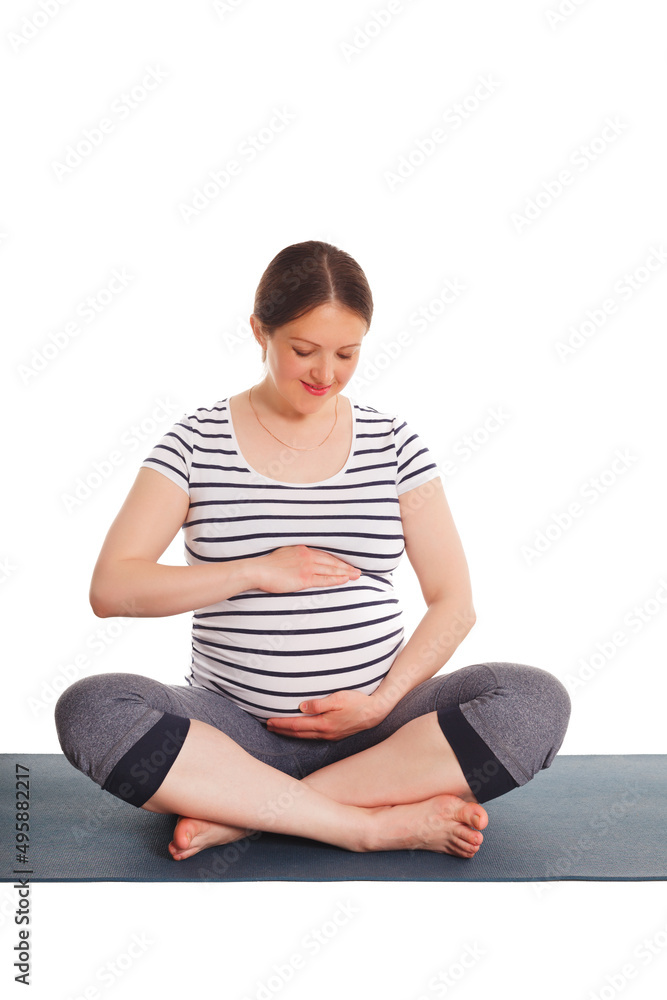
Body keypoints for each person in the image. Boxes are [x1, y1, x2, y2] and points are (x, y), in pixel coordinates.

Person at [54, 240, 571, 862]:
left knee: (534, 701)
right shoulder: (194, 442)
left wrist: (379, 702)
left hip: (382, 735)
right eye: (304, 350)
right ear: (258, 332)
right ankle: (363, 825)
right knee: (91, 709)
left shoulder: (394, 442)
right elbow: (112, 589)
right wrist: (255, 571)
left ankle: (247, 813)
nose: (326, 374)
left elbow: (454, 602)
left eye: (347, 354)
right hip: (235, 734)